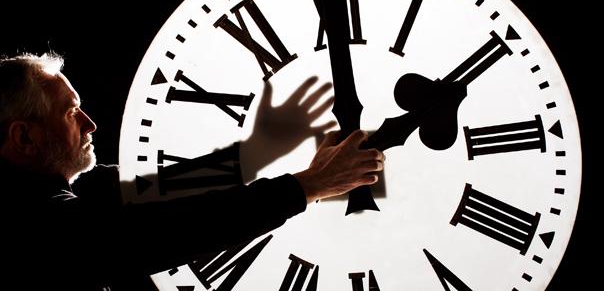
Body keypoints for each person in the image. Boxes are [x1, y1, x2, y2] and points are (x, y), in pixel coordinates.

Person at [0, 53, 384, 290]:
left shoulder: (70, 198)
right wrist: (309, 185)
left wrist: (259, 152)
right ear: (24, 138)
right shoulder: (38, 222)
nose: (90, 123)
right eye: (70, 113)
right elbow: (173, 227)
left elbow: (156, 188)